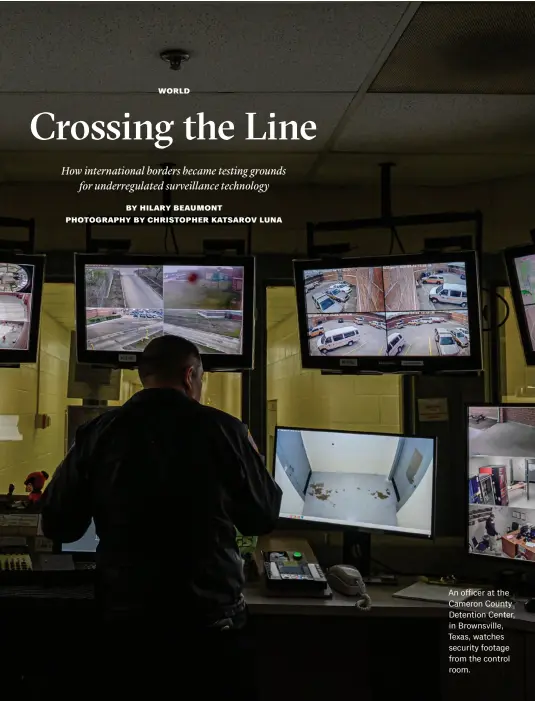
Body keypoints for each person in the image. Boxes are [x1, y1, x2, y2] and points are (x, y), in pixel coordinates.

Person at [41, 335, 282, 699]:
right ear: (190, 376)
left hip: (126, 625)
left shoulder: (97, 432)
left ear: (145, 377)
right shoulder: (227, 430)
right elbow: (261, 518)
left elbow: (60, 524)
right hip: (209, 624)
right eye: (201, 378)